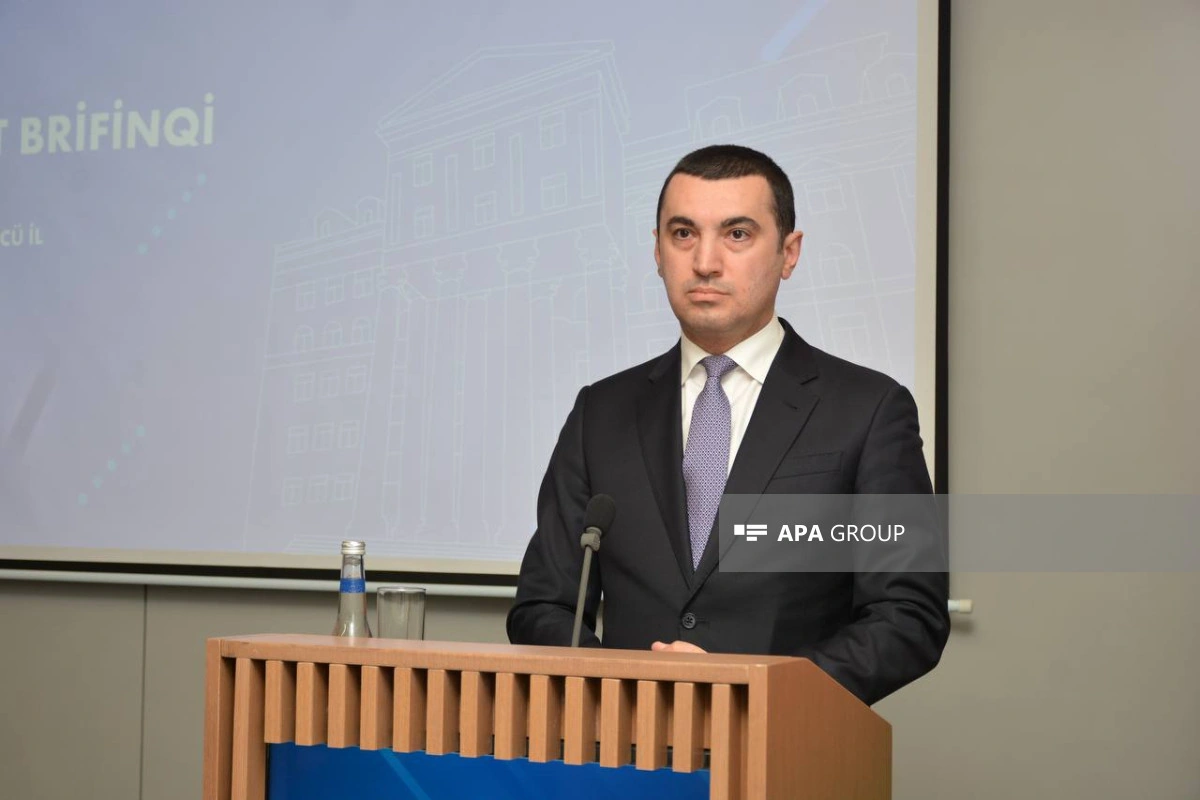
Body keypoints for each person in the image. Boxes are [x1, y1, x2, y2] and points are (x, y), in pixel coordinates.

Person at [507, 144, 948, 705]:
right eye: (683, 234)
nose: (705, 262)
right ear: (658, 251)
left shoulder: (869, 410)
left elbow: (909, 616)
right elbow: (544, 605)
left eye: (737, 234)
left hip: (783, 741)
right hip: (623, 743)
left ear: (789, 253)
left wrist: (750, 690)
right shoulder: (601, 412)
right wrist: (618, 687)